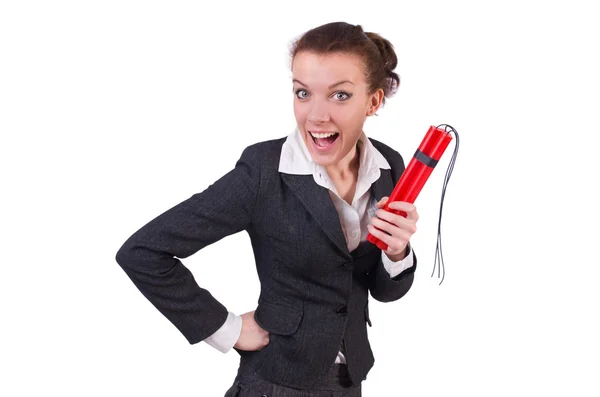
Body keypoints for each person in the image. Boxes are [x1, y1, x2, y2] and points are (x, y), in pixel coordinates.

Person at [115, 21, 419, 397]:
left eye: (339, 96)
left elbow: (385, 291)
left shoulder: (388, 166)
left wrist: (397, 251)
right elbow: (143, 252)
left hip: (349, 381)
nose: (316, 115)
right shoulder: (263, 170)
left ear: (373, 101)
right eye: (303, 93)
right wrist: (226, 328)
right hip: (276, 383)